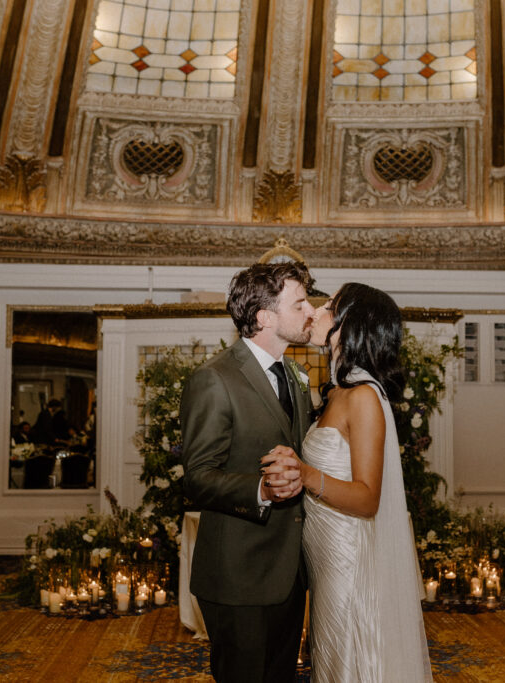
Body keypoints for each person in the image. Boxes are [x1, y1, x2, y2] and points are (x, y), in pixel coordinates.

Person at [263, 283, 432, 682]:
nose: (317, 311)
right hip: (325, 560)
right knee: (330, 656)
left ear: (350, 324)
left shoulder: (365, 397)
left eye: (330, 306)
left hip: (349, 561)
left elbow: (367, 498)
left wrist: (305, 474)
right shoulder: (338, 390)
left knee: (349, 659)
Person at [180, 261, 315, 683]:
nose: (310, 310)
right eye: (300, 303)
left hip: (289, 573)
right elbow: (197, 477)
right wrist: (261, 489)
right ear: (264, 318)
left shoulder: (294, 376)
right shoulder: (214, 379)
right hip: (237, 576)